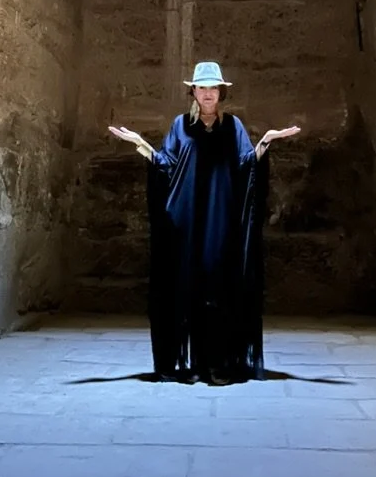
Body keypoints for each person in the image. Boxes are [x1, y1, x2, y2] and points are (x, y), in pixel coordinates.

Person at [109, 61, 300, 385]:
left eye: (213, 88)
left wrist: (265, 142)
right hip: (186, 221)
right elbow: (166, 164)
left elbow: (244, 165)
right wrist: (140, 144)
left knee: (219, 288)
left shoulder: (233, 126)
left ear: (220, 92)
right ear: (194, 92)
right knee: (189, 288)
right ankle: (193, 365)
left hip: (221, 220)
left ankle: (219, 364)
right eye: (202, 88)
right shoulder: (180, 126)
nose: (208, 93)